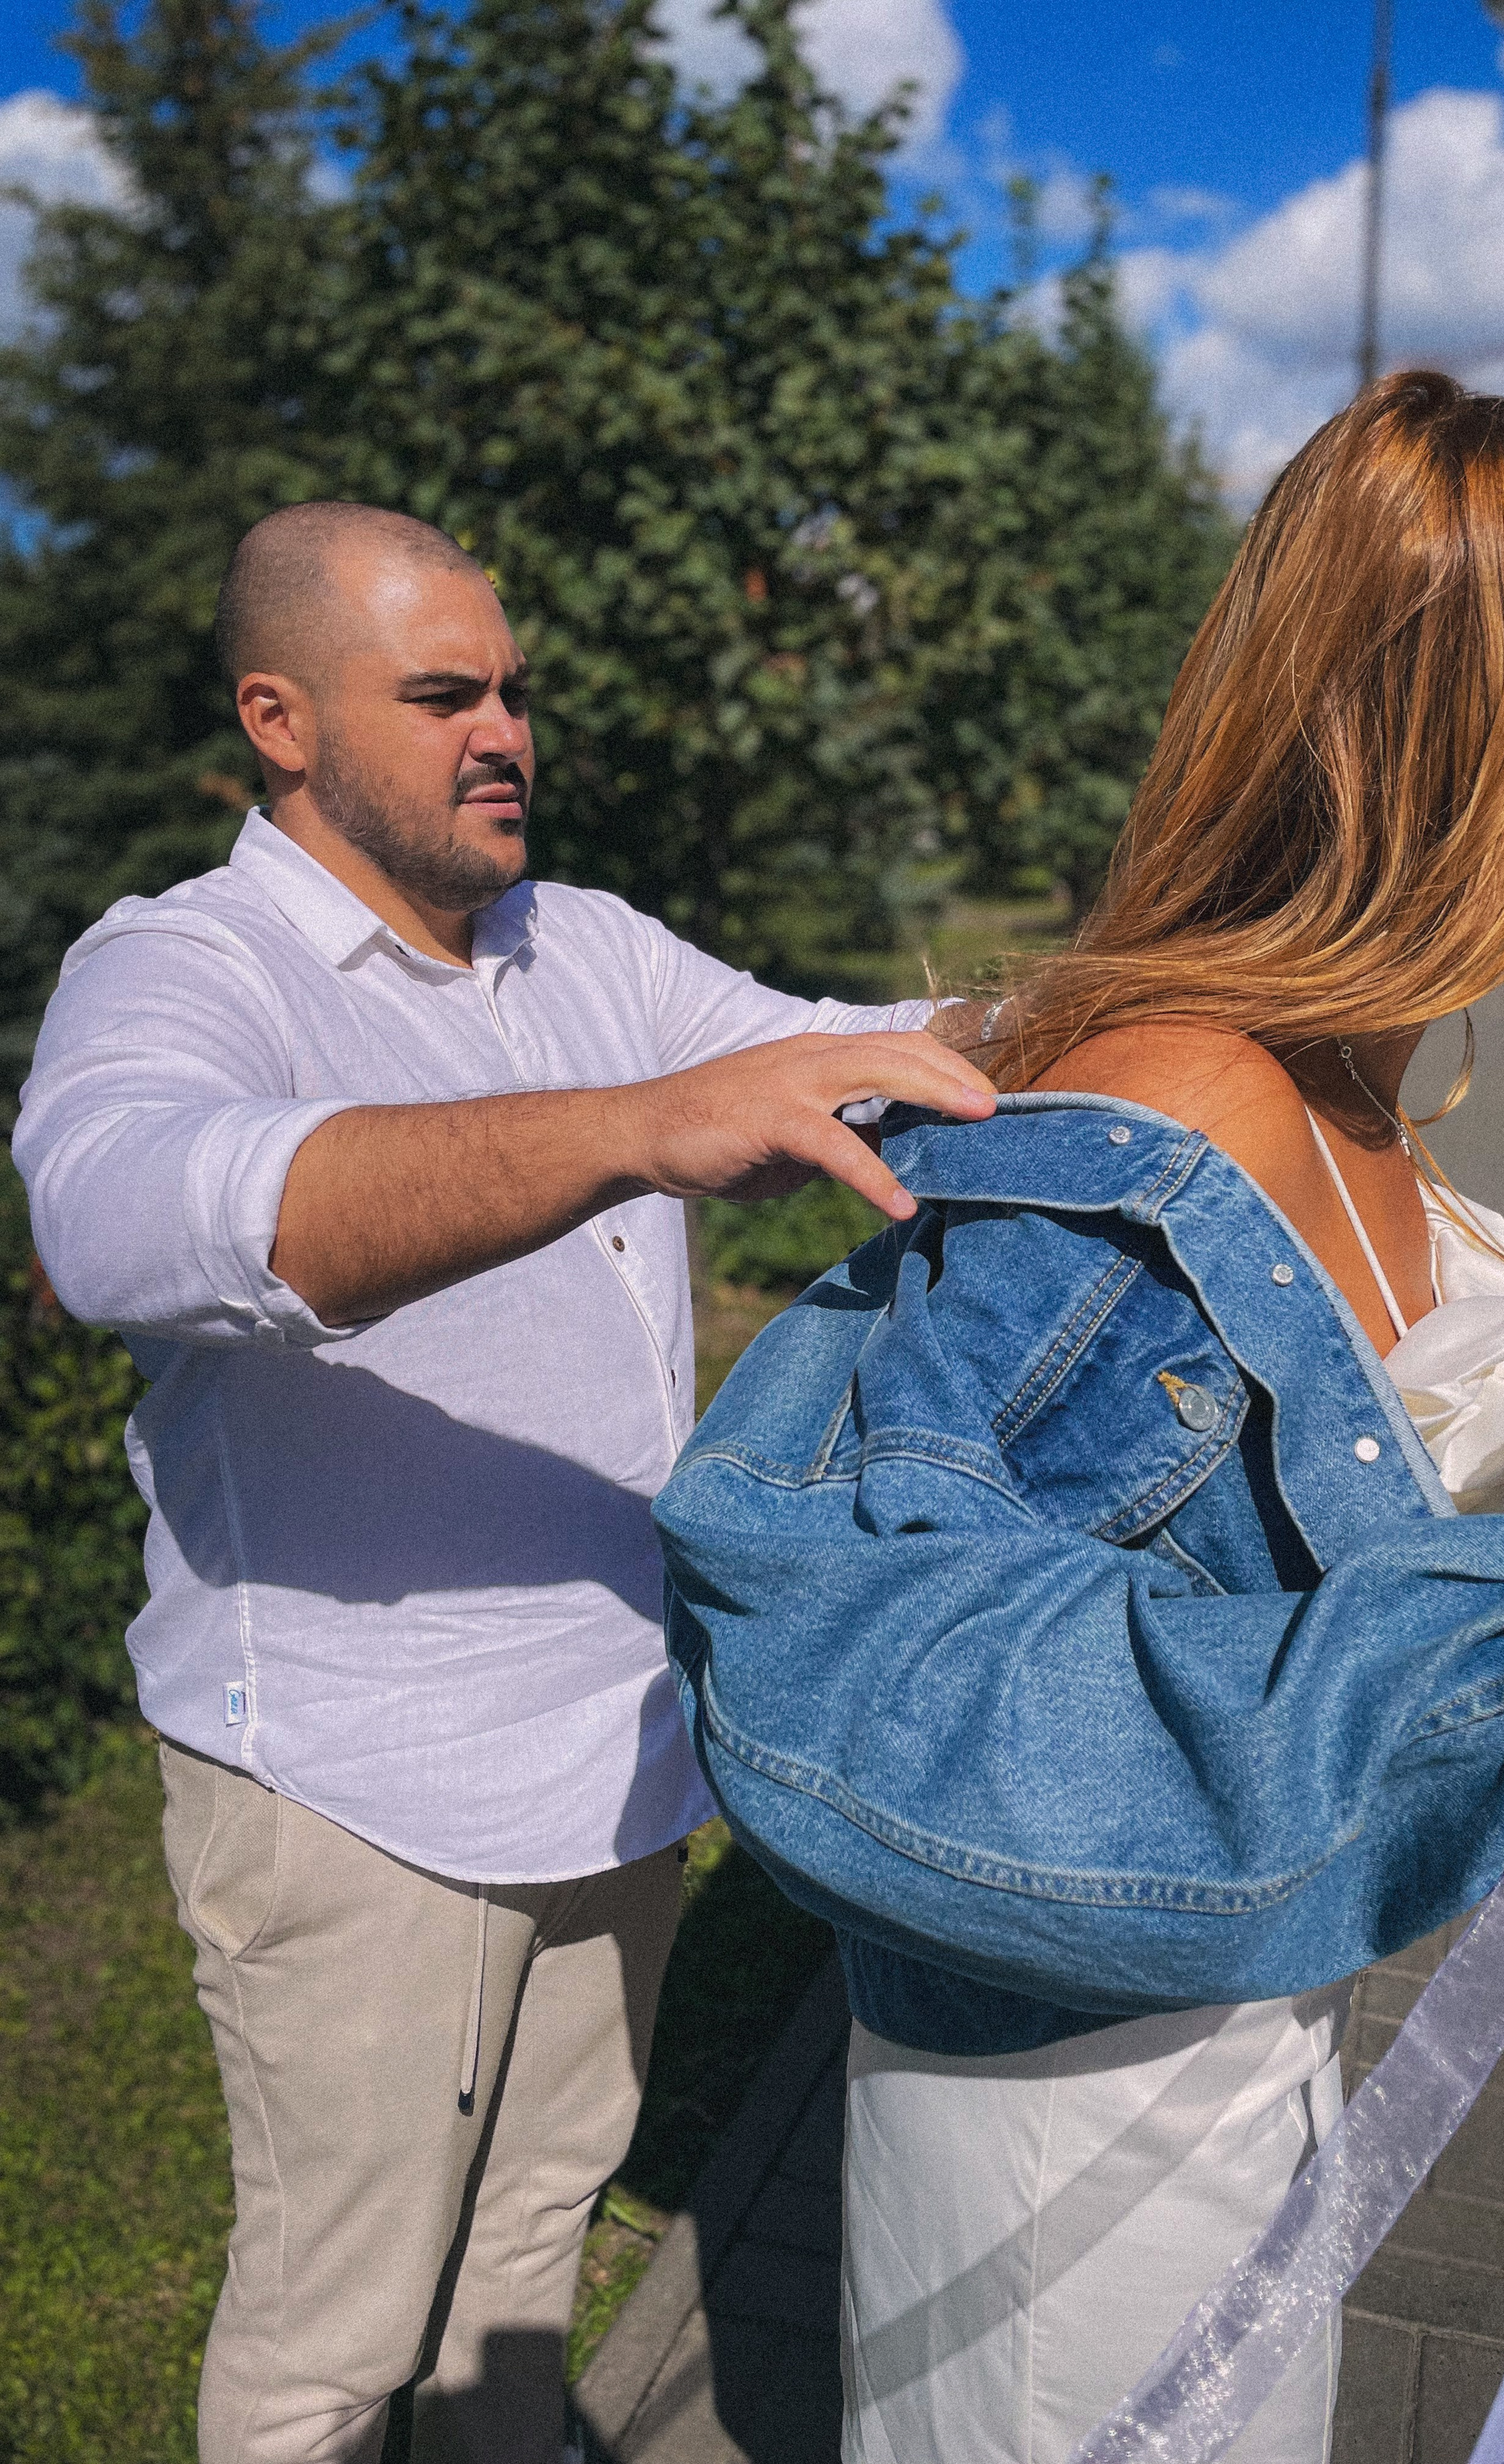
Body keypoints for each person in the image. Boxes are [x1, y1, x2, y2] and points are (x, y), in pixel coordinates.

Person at [652, 375, 1504, 2464]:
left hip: (1236, 2035)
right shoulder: (1175, 1106)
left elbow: (1275, 1571)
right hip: (1066, 2129)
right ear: (1470, 720)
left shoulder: (1336, 1075)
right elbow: (879, 1672)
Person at [14, 500, 994, 2464]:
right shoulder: (184, 967)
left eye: (514, 691)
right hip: (354, 1792)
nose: (505, 731)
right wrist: (634, 1130)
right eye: (443, 692)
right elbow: (111, 1222)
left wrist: (1189, 984)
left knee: (532, 2250)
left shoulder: (585, 942)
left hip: (619, 1755)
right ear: (278, 719)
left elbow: (867, 1056)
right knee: (334, 2349)